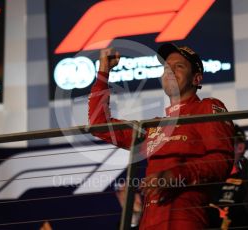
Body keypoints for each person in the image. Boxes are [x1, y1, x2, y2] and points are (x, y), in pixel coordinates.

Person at [88, 43, 234, 229]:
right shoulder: (153, 127)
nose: (170, 71)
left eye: (178, 66)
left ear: (196, 79)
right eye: (166, 67)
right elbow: (99, 125)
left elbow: (222, 160)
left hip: (186, 219)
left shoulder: (206, 107)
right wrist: (103, 73)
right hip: (149, 222)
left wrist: (176, 175)